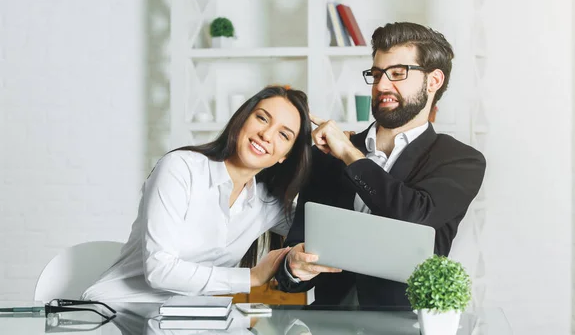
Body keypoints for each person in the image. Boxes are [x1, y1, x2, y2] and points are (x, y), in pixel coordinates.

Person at [275, 22, 487, 307]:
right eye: (376, 74)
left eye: (398, 73)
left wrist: (350, 155)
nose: (381, 85)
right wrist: (293, 267)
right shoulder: (325, 157)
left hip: (407, 326)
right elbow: (295, 257)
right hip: (327, 324)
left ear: (433, 81)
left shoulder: (461, 161)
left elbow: (412, 215)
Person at [82, 85, 313, 303]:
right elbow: (159, 270)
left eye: (284, 135)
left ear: (286, 156)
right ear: (242, 120)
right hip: (116, 311)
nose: (267, 134)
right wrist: (251, 277)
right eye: (262, 118)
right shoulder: (180, 168)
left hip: (181, 320)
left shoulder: (265, 204)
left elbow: (319, 229)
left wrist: (341, 156)